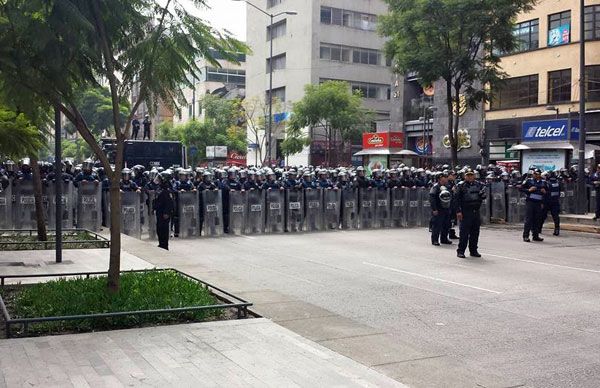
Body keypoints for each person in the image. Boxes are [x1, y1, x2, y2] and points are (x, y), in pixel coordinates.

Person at [455, 168, 486, 258]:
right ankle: (461, 251)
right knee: (464, 233)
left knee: (475, 232)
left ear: (474, 175)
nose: (469, 177)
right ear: (465, 176)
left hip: (476, 211)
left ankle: (473, 250)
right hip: (465, 212)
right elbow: (456, 200)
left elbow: (483, 196)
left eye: (471, 175)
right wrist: (458, 211)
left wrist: (482, 195)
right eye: (468, 175)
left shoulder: (479, 185)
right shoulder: (461, 186)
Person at [521, 168, 547, 242]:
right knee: (528, 220)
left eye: (538, 174)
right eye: (535, 174)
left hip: (538, 203)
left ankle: (535, 236)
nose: (536, 175)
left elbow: (547, 193)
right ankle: (526, 236)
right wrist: (528, 190)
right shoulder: (528, 181)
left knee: (537, 220)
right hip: (530, 202)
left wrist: (544, 192)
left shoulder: (543, 182)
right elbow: (520, 188)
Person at [429, 172, 452, 246]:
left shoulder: (447, 186)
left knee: (447, 224)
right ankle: (435, 240)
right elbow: (432, 198)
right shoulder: (435, 187)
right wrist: (434, 209)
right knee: (437, 225)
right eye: (444, 178)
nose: (446, 179)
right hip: (438, 208)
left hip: (446, 208)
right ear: (440, 179)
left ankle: (444, 239)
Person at [153, 172, 174, 250]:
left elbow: (170, 203)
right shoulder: (159, 188)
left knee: (164, 229)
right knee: (159, 228)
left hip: (164, 213)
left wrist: (167, 212)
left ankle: (165, 245)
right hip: (159, 212)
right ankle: (160, 243)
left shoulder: (167, 189)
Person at [541, 170, 561, 235]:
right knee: (555, 216)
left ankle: (539, 229)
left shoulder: (546, 183)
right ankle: (557, 230)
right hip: (555, 201)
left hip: (547, 202)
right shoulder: (557, 182)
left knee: (543, 216)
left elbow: (543, 191)